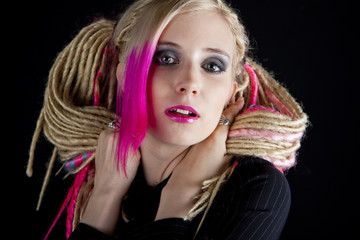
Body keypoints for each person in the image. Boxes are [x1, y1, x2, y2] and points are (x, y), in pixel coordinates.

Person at [26, 0, 308, 239]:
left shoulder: (256, 187)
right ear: (125, 75)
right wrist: (105, 196)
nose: (189, 83)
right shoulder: (85, 178)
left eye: (212, 66)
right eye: (166, 58)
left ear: (230, 94)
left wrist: (179, 198)